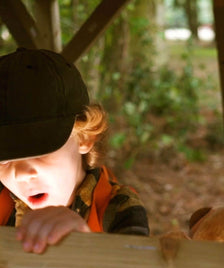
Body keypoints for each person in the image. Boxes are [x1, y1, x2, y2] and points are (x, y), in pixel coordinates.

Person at [0, 48, 149, 254]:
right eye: (3, 159)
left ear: (84, 137)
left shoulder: (118, 208)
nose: (21, 173)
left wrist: (85, 244)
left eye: (41, 150)